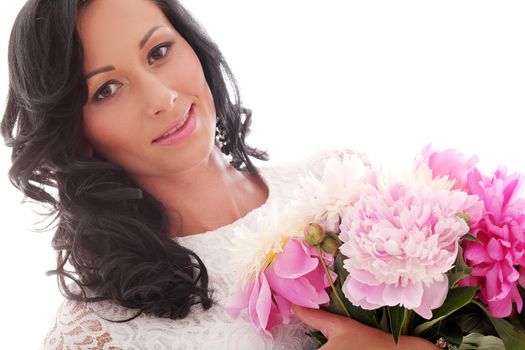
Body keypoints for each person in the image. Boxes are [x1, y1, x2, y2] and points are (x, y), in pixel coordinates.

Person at [1, 0, 439, 349]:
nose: (162, 98)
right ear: (77, 133)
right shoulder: (99, 334)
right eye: (107, 89)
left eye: (158, 51)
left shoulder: (344, 184)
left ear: (193, 44)